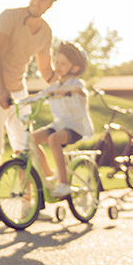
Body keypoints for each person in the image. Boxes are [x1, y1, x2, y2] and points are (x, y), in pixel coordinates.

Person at [0, 0, 60, 221]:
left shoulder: (45, 31)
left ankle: (27, 206)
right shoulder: (8, 18)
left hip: (18, 89)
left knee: (25, 146)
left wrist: (67, 84)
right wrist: (2, 90)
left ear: (50, 5)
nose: (35, 2)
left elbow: (46, 70)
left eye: (41, 0)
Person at [30, 42, 94, 198]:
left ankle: (64, 184)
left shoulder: (76, 84)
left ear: (75, 68)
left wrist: (68, 91)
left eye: (63, 64)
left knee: (53, 139)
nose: (57, 66)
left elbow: (80, 91)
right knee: (32, 139)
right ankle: (50, 174)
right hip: (59, 125)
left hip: (75, 128)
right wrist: (18, 101)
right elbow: (39, 95)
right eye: (56, 62)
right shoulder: (55, 86)